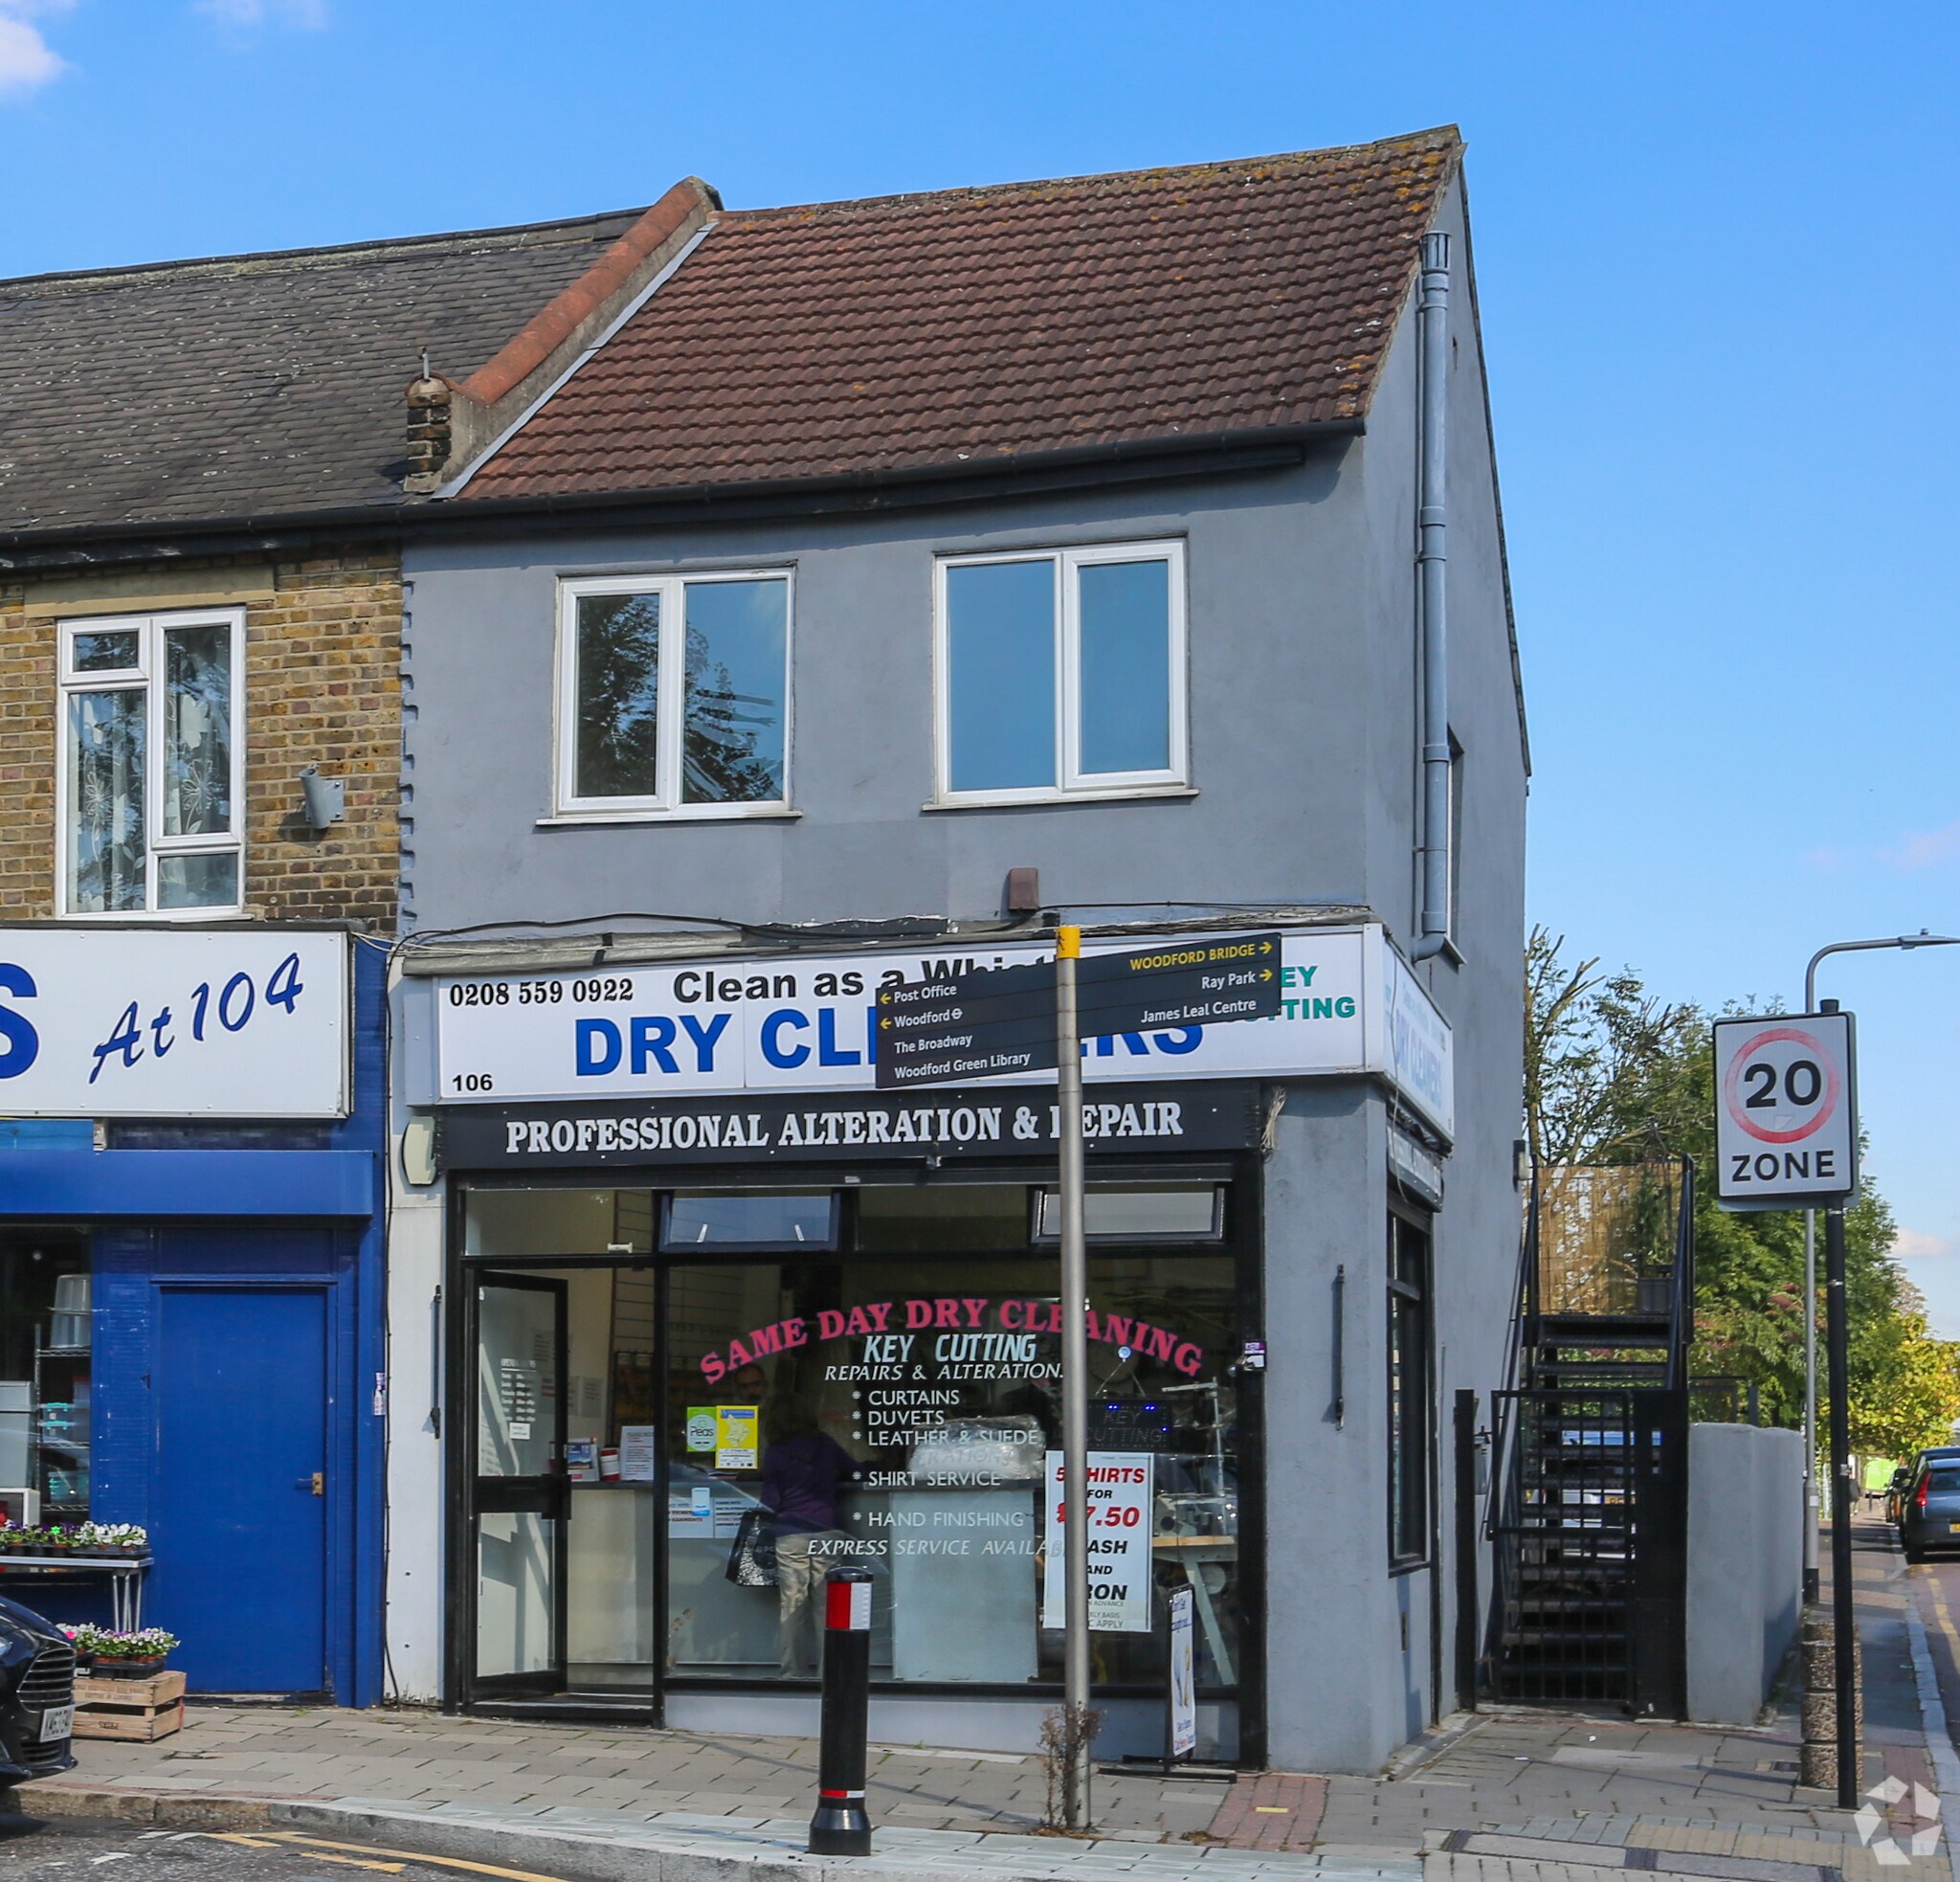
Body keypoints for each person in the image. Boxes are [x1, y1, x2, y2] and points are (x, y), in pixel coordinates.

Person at [759, 1392, 863, 1676]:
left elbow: (772, 1501)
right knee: (825, 1606)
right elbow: (855, 1471)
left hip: (791, 1534)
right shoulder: (825, 1444)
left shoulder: (776, 1451)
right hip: (828, 1530)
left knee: (792, 1606)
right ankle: (828, 1673)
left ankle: (791, 1673)